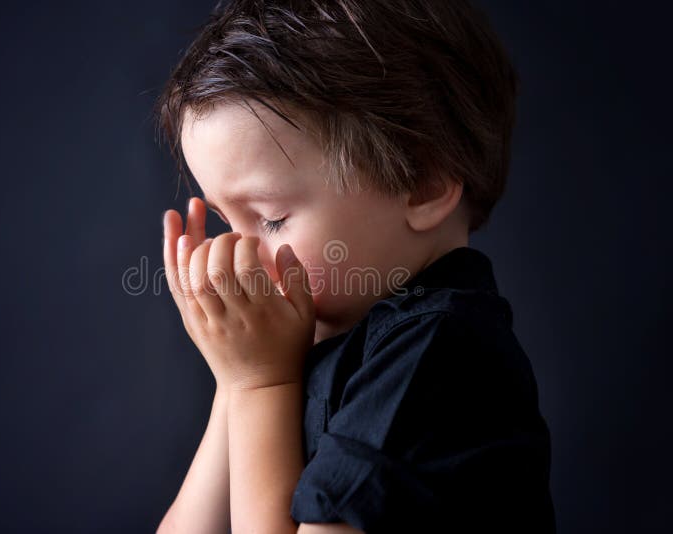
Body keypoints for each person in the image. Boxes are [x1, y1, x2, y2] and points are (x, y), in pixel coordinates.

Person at [153, 1, 555, 532]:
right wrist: (234, 384)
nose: (240, 256)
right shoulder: (309, 341)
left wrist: (258, 386)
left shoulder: (439, 357)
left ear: (424, 183)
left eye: (271, 219)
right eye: (226, 221)